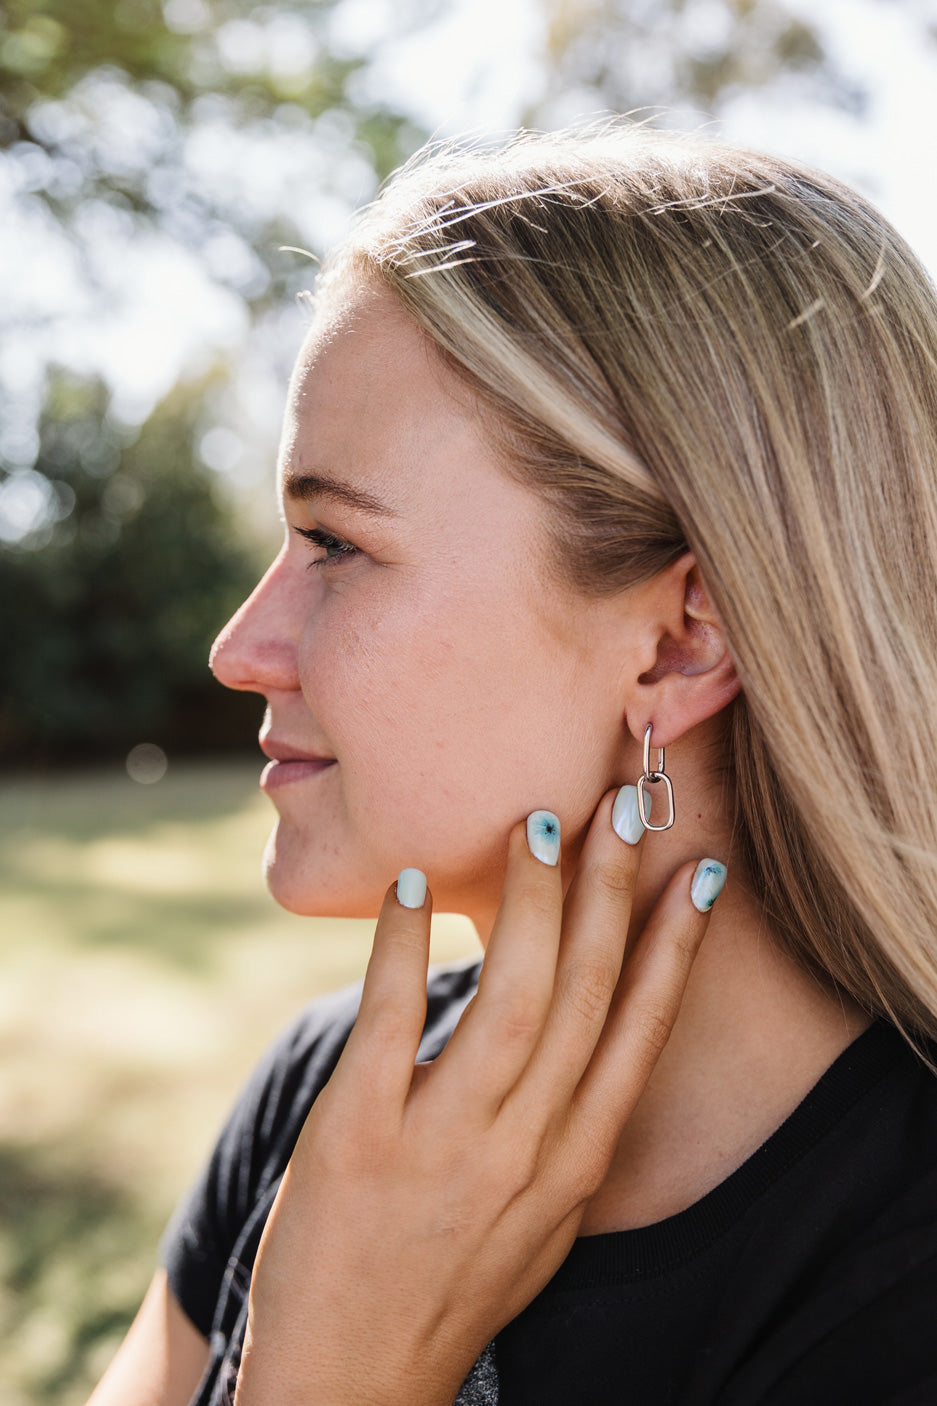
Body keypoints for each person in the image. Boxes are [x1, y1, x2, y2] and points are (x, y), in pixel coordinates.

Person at [88, 125, 937, 1405]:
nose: (238, 648)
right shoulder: (326, 1098)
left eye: (335, 542)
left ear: (679, 640)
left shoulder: (898, 1285)